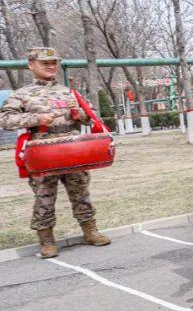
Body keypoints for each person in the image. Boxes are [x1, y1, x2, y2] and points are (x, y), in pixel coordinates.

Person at [0, 47, 111, 258]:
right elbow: (5, 120)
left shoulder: (68, 92)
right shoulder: (22, 95)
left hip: (74, 151)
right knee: (44, 197)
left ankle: (90, 231)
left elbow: (92, 115)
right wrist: (36, 119)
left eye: (54, 62)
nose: (51, 66)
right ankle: (47, 241)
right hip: (43, 155)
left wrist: (81, 114)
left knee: (81, 193)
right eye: (45, 63)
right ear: (31, 65)